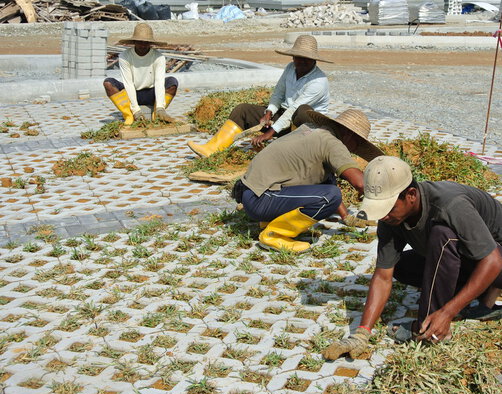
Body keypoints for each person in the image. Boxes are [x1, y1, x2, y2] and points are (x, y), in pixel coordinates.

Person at [323, 156, 502, 360]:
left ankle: (429, 328)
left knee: (442, 235)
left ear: (411, 195)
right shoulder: (389, 218)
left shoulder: (449, 205)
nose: (383, 215)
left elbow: (493, 261)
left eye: (387, 208)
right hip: (474, 258)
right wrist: (362, 333)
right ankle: (479, 298)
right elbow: (383, 276)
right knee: (401, 266)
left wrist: (447, 312)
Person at [232, 109, 383, 252]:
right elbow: (361, 184)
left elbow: (326, 180)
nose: (353, 150)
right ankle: (275, 234)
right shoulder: (332, 143)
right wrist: (390, 203)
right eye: (357, 144)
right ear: (349, 135)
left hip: (249, 192)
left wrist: (347, 217)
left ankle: (269, 220)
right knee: (330, 196)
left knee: (328, 182)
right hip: (260, 199)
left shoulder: (311, 130)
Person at [187, 34, 330, 158]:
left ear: (314, 60)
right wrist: (268, 113)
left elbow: (294, 110)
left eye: (307, 59)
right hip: (285, 116)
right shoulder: (290, 68)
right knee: (242, 110)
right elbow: (279, 92)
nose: (302, 62)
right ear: (292, 57)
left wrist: (268, 134)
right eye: (299, 58)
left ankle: (295, 152)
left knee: (302, 110)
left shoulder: (318, 82)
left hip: (306, 126)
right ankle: (212, 148)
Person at [103, 23, 178, 125]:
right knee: (108, 83)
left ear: (150, 43)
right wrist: (135, 110)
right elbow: (128, 83)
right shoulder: (125, 56)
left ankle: (157, 113)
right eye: (139, 42)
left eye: (146, 42)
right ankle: (129, 115)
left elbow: (159, 82)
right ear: (134, 42)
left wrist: (161, 106)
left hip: (151, 94)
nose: (143, 45)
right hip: (132, 93)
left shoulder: (158, 57)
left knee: (172, 82)